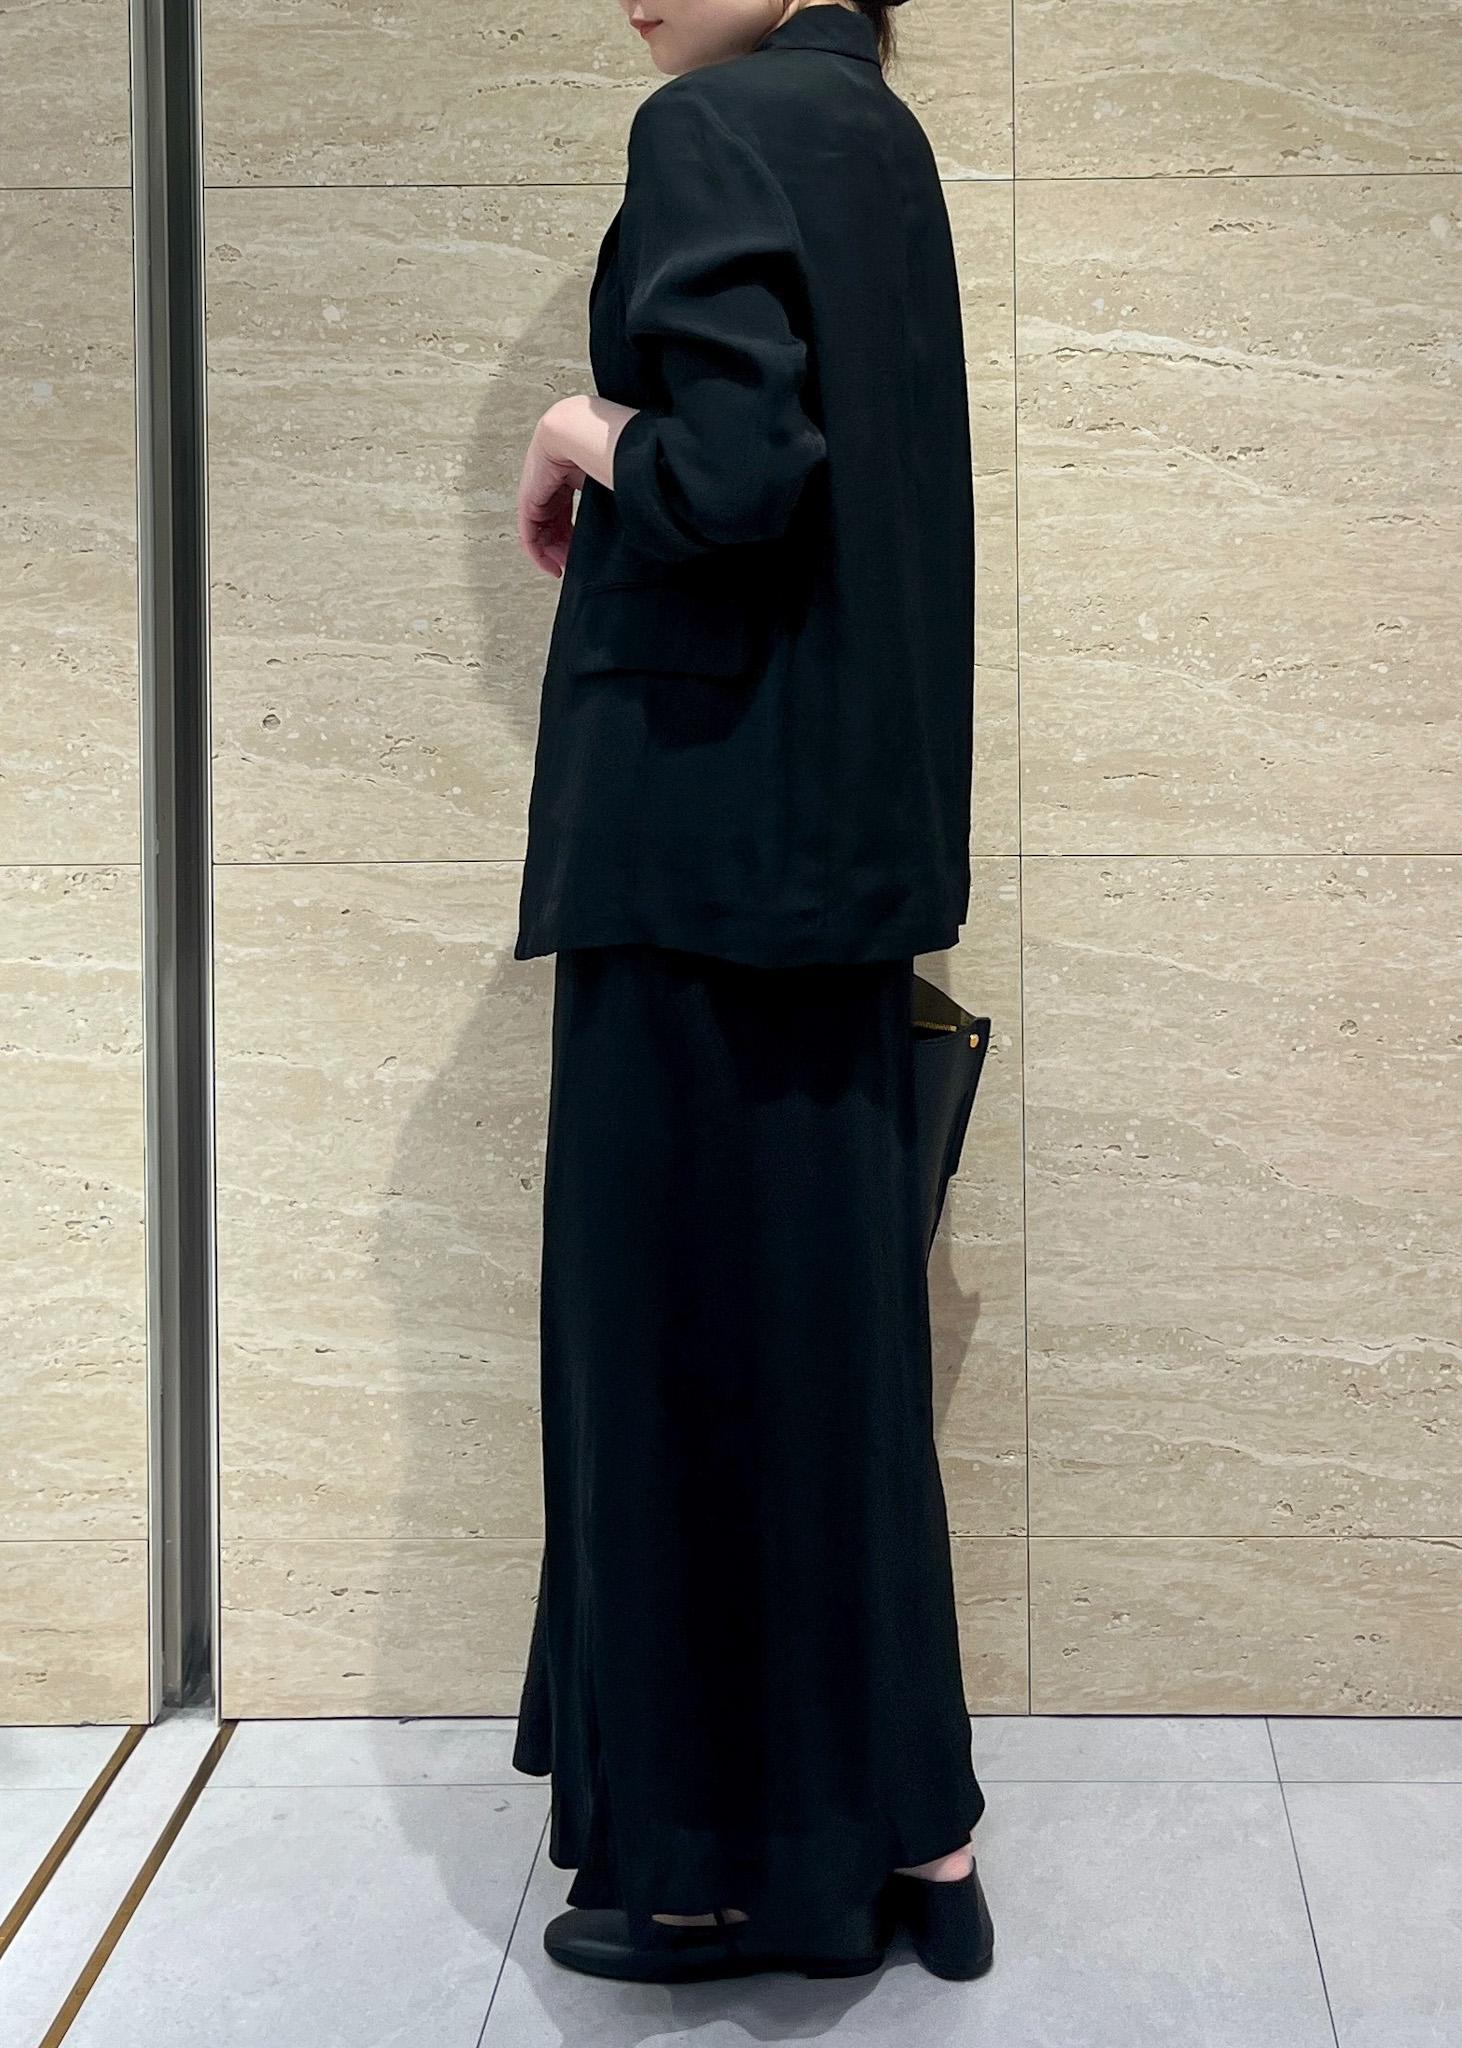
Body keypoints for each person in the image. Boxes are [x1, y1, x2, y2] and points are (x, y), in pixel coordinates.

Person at [510, 0, 994, 1986]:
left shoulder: (709, 126)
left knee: (673, 1359)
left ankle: (714, 1876)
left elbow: (732, 472)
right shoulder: (876, 137)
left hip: (698, 856)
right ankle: (915, 1842)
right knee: (827, 1362)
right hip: (841, 859)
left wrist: (581, 427)